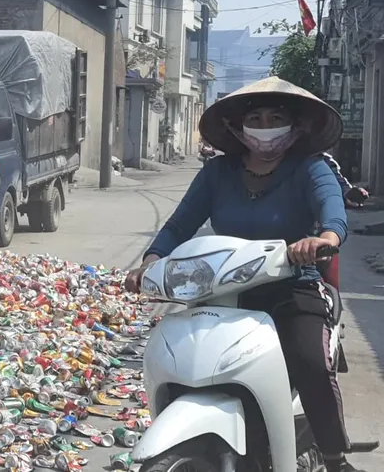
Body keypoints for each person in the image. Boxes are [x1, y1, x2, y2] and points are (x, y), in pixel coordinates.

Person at [125, 76, 362, 472]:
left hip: (292, 287)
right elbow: (179, 225)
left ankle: (336, 457)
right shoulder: (218, 172)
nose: (265, 125)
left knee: (309, 361)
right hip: (223, 289)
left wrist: (324, 238)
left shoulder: (310, 168)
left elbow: (332, 208)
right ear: (238, 127)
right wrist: (151, 260)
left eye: (276, 117)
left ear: (297, 125)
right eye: (256, 117)